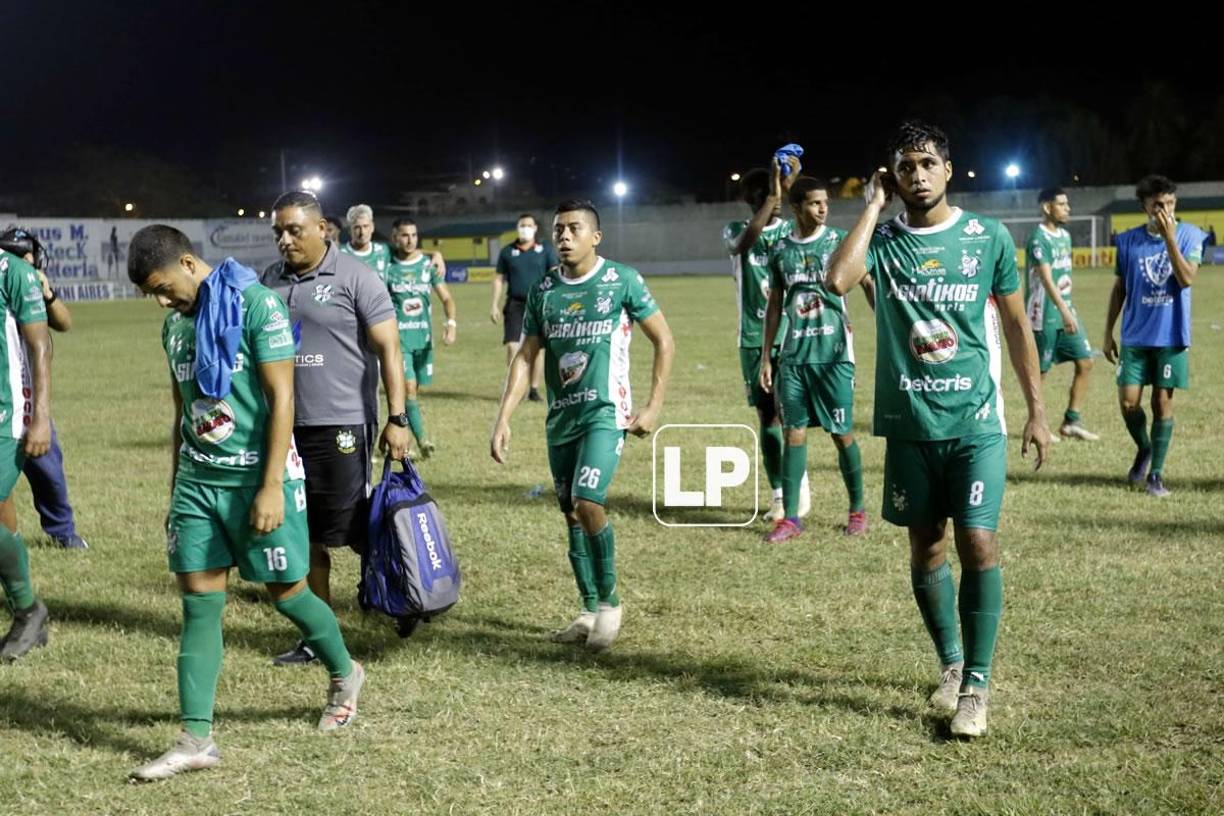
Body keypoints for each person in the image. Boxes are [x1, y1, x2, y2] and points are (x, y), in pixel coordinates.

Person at [827, 121, 1051, 738]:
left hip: (976, 420)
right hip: (908, 421)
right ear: (891, 178)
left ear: (948, 170)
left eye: (927, 164)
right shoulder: (885, 239)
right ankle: (951, 665)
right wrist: (871, 207)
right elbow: (836, 280)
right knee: (926, 547)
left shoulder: (988, 237)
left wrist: (1035, 409)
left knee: (977, 542)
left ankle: (976, 686)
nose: (917, 176)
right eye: (905, 168)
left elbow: (1014, 326)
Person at [125, 225, 365, 781]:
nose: (162, 301)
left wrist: (271, 484)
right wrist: (174, 488)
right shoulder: (174, 328)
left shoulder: (257, 307)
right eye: (152, 295)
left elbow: (284, 398)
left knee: (288, 594)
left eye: (164, 287)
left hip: (257, 480)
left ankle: (344, 672)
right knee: (199, 605)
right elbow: (181, 412)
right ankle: (195, 739)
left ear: (188, 262)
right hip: (197, 485)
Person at [491, 200, 674, 651]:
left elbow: (664, 340)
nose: (565, 236)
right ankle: (588, 608)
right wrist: (503, 418)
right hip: (562, 418)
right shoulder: (544, 289)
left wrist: (652, 406)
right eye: (559, 230)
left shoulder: (621, 281)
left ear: (596, 236)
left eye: (574, 228)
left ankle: (610, 604)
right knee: (570, 514)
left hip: (605, 414)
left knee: (587, 500)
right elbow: (527, 355)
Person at [259, 191, 412, 666]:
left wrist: (397, 418)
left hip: (342, 422)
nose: (285, 240)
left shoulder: (355, 277)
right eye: (278, 233)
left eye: (294, 230)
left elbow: (389, 349)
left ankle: (403, 590)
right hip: (286, 427)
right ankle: (319, 636)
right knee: (305, 536)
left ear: (322, 228)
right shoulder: (270, 281)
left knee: (350, 526)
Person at [759, 176, 874, 541]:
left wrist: (889, 328)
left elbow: (869, 284)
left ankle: (857, 510)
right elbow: (775, 305)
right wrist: (767, 356)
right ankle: (790, 518)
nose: (823, 208)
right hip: (794, 359)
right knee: (794, 434)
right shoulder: (780, 251)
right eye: (814, 203)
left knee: (841, 434)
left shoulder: (840, 242)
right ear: (797, 208)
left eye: (826, 202)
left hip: (834, 357)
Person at [1103, 175, 1204, 497]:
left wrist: (1170, 238)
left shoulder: (1190, 235)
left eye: (1171, 203)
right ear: (1144, 206)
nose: (1165, 210)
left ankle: (1156, 475)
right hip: (1134, 336)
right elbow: (1120, 288)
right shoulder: (1128, 241)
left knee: (1162, 402)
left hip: (1171, 335)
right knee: (1129, 403)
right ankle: (1144, 448)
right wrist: (1108, 333)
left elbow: (1187, 278)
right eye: (1158, 204)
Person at [724, 159, 810, 522]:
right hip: (753, 339)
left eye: (770, 194)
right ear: (749, 201)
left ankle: (797, 482)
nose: (767, 200)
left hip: (794, 336)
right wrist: (771, 198)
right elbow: (744, 244)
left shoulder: (793, 231)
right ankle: (778, 493)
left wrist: (789, 183)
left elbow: (812, 216)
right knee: (768, 416)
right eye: (758, 197)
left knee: (793, 414)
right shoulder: (736, 229)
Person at [0, 228, 88, 549]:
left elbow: (63, 323)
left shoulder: (28, 281)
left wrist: (48, 294)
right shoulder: (11, 277)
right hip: (6, 396)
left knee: (48, 471)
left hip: (27, 397)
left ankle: (63, 532)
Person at [0, 241, 53, 662]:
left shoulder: (12, 270)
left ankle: (28, 609)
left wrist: (42, 416)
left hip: (5, 416)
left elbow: (40, 344)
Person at [1024, 189, 1098, 441]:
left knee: (1085, 362)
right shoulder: (1037, 238)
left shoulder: (1065, 237)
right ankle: (1037, 423)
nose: (1068, 208)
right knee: (1040, 373)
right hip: (1043, 314)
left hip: (1065, 310)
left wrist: (1067, 309)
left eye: (1068, 203)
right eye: (1062, 204)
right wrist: (1065, 311)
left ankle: (1071, 421)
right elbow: (1045, 279)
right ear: (1047, 207)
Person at [384, 218, 458, 458]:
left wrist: (451, 323)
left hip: (423, 340)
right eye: (404, 235)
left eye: (414, 235)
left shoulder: (427, 266)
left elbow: (446, 298)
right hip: (398, 341)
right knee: (408, 389)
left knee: (414, 391)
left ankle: (389, 436)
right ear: (395, 237)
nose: (410, 240)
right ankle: (422, 440)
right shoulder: (387, 265)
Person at [492, 213, 557, 402]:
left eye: (529, 225)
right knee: (513, 346)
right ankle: (514, 386)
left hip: (539, 303)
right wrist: (493, 305)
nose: (525, 228)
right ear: (517, 227)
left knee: (537, 349)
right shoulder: (507, 252)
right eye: (522, 225)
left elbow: (554, 274)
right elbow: (498, 279)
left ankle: (533, 389)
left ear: (535, 228)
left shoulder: (545, 250)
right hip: (515, 304)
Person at [340, 204, 392, 280]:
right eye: (357, 227)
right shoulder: (340, 254)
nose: (362, 232)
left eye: (365, 226)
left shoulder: (384, 250)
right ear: (349, 230)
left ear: (372, 227)